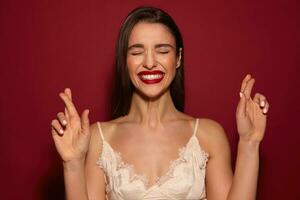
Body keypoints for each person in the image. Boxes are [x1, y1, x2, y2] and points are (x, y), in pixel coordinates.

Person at [51, 6, 269, 200]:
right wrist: (72, 164)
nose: (149, 62)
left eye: (162, 51)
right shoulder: (99, 139)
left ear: (178, 58)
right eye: (137, 52)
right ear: (124, 60)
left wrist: (250, 143)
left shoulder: (209, 135)